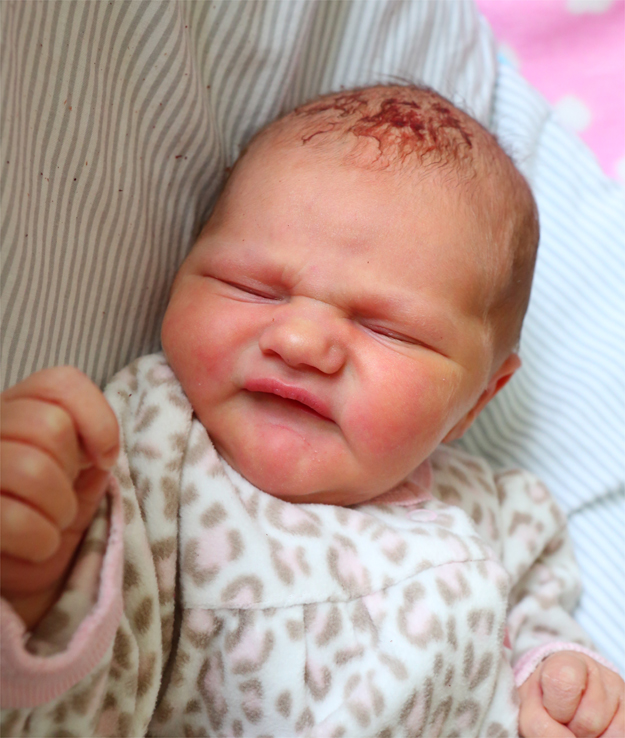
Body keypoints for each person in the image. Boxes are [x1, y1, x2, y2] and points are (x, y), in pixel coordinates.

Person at [1, 86, 622, 737]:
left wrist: (561, 677)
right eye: (252, 287)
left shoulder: (501, 512)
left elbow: (540, 618)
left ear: (479, 400)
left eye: (387, 330)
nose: (299, 342)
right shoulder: (151, 451)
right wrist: (39, 587)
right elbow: (90, 697)